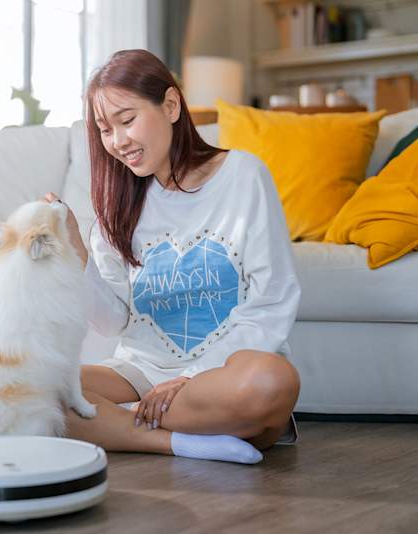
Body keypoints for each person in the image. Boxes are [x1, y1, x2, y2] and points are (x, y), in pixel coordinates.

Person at [44, 49, 301, 464]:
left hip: (223, 374)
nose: (118, 142)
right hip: (140, 372)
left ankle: (115, 424)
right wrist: (77, 254)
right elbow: (114, 322)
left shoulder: (242, 176)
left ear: (170, 105)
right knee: (35, 387)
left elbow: (272, 300)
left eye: (127, 120)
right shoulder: (116, 204)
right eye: (105, 131)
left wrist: (188, 379)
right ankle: (182, 440)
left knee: (272, 382)